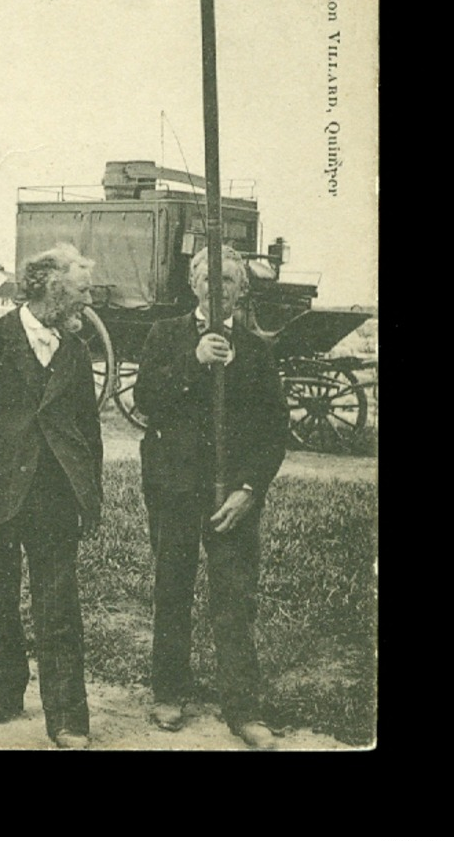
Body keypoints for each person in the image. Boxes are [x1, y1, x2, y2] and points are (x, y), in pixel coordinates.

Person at [0, 243, 104, 749]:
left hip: (55, 495)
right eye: (81, 292)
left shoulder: (76, 351)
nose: (87, 302)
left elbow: (88, 430)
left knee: (59, 605)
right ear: (51, 288)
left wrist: (89, 495)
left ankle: (67, 716)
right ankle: (3, 685)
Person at [134, 247, 287, 750]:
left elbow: (272, 429)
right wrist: (193, 362)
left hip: (231, 496)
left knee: (234, 598)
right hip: (176, 488)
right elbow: (146, 401)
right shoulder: (166, 336)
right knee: (172, 588)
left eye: (227, 279)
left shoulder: (259, 350)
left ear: (242, 289)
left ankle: (244, 709)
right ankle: (170, 693)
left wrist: (249, 489)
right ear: (193, 284)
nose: (216, 286)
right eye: (207, 277)